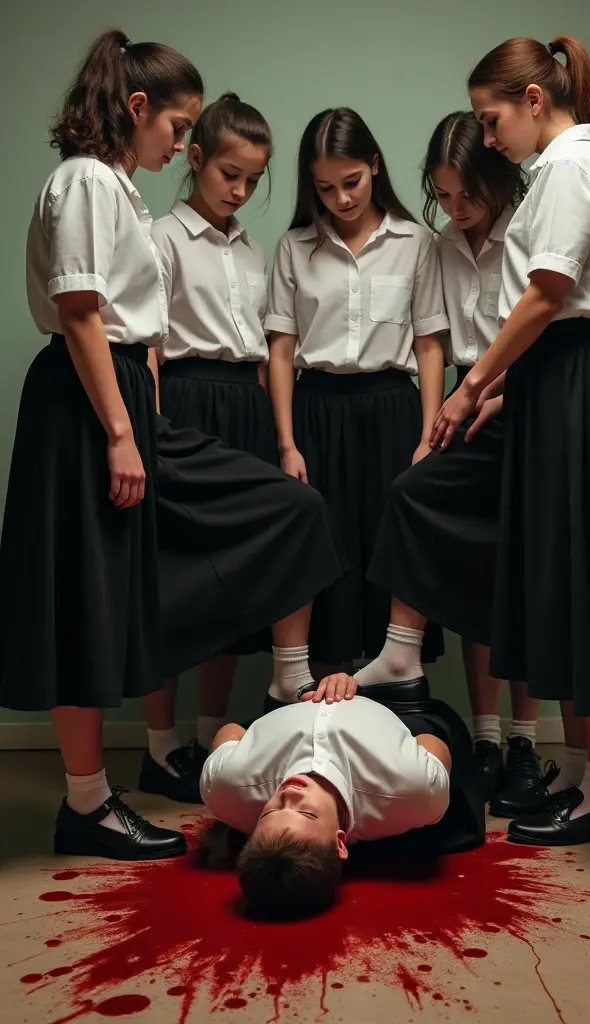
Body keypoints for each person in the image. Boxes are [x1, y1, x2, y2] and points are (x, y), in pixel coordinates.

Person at [0, 29, 342, 861]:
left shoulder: (117, 186)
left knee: (288, 511)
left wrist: (138, 424)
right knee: (86, 598)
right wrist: (121, 433)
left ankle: (286, 681)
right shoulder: (86, 179)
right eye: (180, 127)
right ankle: (87, 804)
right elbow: (81, 308)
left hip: (119, 399)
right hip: (88, 402)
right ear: (138, 108)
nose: (183, 144)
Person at [427, 34, 590, 845]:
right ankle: (578, 770)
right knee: (566, 574)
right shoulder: (555, 172)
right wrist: (505, 394)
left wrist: (473, 384)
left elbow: (548, 295)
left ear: (535, 100)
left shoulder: (573, 167)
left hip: (581, 383)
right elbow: (541, 312)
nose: (488, 137)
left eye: (491, 119)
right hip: (554, 383)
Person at [363, 110, 546, 816]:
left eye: (466, 194)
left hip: (522, 403)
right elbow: (433, 340)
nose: (455, 207)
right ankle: (487, 738)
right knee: (425, 509)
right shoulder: (440, 246)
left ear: (496, 180)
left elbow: (541, 327)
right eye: (441, 195)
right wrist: (428, 425)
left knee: (520, 570)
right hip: (466, 405)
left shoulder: (531, 229)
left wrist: (494, 396)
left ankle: (525, 744)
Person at [266, 108, 448, 678]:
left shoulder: (416, 242)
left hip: (393, 408)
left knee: (388, 549)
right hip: (316, 410)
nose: (341, 198)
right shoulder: (295, 247)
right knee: (326, 552)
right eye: (325, 187)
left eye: (352, 182)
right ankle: (317, 708)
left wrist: (428, 436)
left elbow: (429, 344)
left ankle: (391, 693)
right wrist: (287, 443)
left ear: (374, 166)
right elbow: (279, 350)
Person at [141, 93, 276, 803]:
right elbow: (153, 347)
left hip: (244, 406)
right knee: (174, 576)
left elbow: (258, 348)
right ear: (195, 159)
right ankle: (159, 748)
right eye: (230, 173)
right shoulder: (160, 237)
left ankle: (209, 737)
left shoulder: (253, 249)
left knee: (231, 582)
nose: (241, 190)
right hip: (186, 401)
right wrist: (156, 430)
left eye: (254, 179)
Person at [200, 674, 484, 919]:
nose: (290, 793)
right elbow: (432, 743)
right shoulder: (415, 791)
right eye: (307, 813)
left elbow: (232, 731)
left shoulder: (225, 790)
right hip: (387, 702)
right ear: (340, 842)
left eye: (269, 812)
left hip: (287, 699)